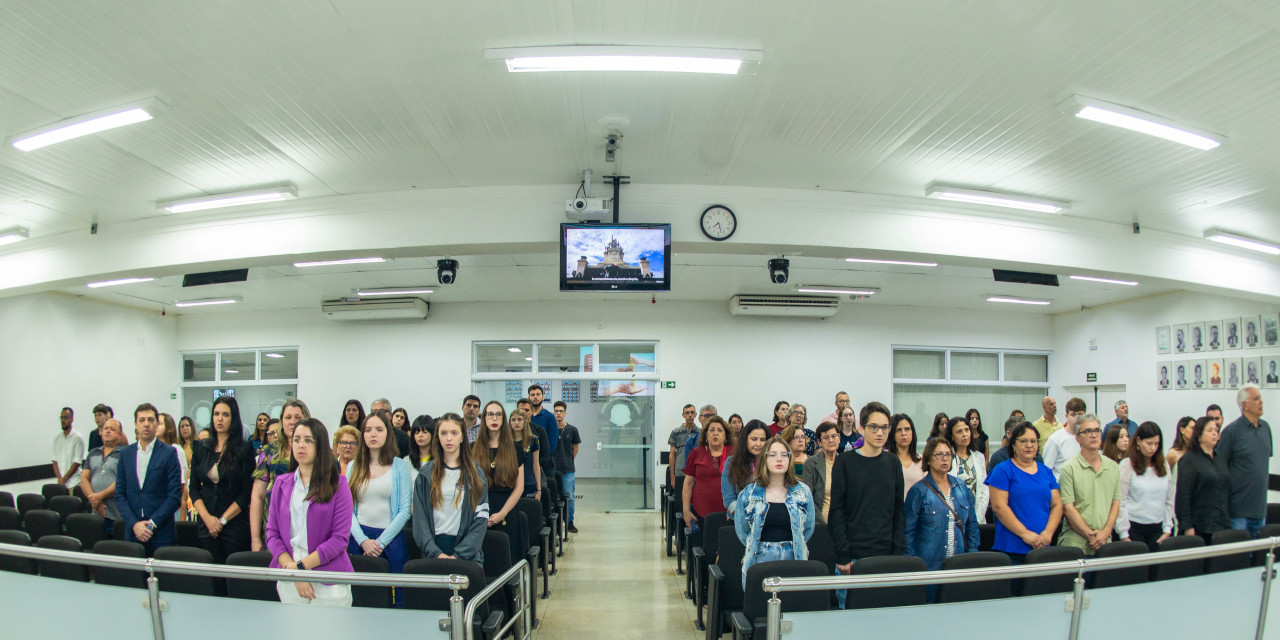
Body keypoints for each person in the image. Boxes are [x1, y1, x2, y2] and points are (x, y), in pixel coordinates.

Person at [265, 417, 354, 607]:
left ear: (320, 445)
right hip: (289, 571)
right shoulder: (281, 483)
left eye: (308, 440)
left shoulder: (338, 484)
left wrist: (301, 568)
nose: (301, 445)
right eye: (296, 440)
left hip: (327, 575)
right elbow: (272, 533)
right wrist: (292, 568)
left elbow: (339, 538)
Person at [830, 402, 904, 609]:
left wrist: (897, 553)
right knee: (851, 621)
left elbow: (899, 510)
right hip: (853, 557)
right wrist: (843, 554)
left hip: (886, 555)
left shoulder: (893, 463)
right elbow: (837, 512)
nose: (880, 433)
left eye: (885, 427)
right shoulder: (845, 462)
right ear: (861, 428)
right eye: (874, 427)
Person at [346, 410, 412, 604]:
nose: (373, 434)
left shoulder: (400, 466)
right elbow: (347, 510)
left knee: (394, 598)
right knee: (361, 598)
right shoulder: (353, 466)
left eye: (378, 429)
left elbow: (404, 510)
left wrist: (380, 543)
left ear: (388, 434)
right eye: (368, 430)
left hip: (390, 539)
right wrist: (363, 541)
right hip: (360, 540)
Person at [735, 436, 815, 589]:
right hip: (760, 557)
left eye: (784, 454)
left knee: (792, 606)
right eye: (773, 454)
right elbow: (743, 530)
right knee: (762, 607)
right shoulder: (749, 494)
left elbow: (809, 528)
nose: (779, 459)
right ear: (764, 459)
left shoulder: (802, 492)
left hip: (795, 556)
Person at [905, 438, 980, 597]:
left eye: (948, 455)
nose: (944, 459)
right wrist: (911, 565)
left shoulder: (961, 487)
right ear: (929, 459)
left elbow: (972, 525)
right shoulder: (918, 491)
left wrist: (972, 556)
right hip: (929, 566)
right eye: (939, 455)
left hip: (959, 565)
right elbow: (908, 532)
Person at [412, 414, 488, 564]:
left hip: (466, 556)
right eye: (443, 433)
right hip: (433, 552)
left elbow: (481, 519)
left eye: (454, 433)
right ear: (438, 437)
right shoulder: (425, 474)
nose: (448, 438)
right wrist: (435, 553)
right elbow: (419, 521)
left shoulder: (476, 475)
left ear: (462, 437)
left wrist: (459, 555)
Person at [189, 395, 256, 563]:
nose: (220, 419)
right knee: (210, 578)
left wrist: (222, 521)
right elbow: (194, 489)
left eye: (225, 415)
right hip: (206, 523)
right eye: (216, 414)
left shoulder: (244, 449)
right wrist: (208, 519)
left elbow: (246, 492)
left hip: (234, 524)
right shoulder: (200, 447)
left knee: (232, 576)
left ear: (233, 418)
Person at [986, 422, 1062, 563]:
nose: (1029, 445)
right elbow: (999, 507)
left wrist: (1048, 533)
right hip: (1012, 549)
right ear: (1013, 444)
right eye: (1023, 441)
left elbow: (1057, 504)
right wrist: (1025, 534)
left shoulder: (1045, 471)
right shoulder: (1003, 470)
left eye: (1033, 441)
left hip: (1042, 547)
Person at [116, 403, 183, 556]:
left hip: (161, 534)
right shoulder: (126, 454)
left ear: (156, 424)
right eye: (141, 420)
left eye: (151, 420)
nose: (146, 424)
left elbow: (174, 497)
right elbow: (120, 494)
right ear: (135, 424)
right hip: (133, 534)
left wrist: (151, 525)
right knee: (134, 579)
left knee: (164, 579)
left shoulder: (169, 453)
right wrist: (135, 524)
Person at [250, 399, 311, 552]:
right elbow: (257, 496)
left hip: (307, 528)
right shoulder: (269, 451)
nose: (292, 422)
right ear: (281, 421)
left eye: (298, 418)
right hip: (274, 528)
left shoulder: (316, 451)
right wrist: (255, 538)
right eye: (288, 417)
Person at [1057, 414, 1121, 556]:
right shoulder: (1069, 468)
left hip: (1105, 543)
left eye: (1097, 430)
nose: (1093, 435)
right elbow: (1068, 508)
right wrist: (1091, 536)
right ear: (1078, 438)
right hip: (1075, 545)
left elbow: (1115, 503)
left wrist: (1105, 533)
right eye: (1087, 431)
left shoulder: (1113, 467)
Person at [1218, 385, 1272, 537]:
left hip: (1260, 509)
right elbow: (1220, 467)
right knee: (1239, 556)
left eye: (1260, 398)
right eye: (1256, 399)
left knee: (1258, 556)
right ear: (1244, 405)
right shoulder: (1232, 431)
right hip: (1238, 510)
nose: (1261, 401)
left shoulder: (1265, 428)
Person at [474, 401, 526, 563]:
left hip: (507, 511)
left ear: (503, 419)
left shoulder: (514, 448)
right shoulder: (473, 448)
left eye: (498, 414)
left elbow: (519, 487)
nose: (494, 418)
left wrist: (502, 513)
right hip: (479, 509)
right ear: (484, 419)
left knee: (506, 560)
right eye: (490, 414)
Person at [1117, 422, 1174, 552]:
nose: (1152, 448)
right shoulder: (1127, 465)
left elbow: (1169, 500)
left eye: (1156, 444)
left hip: (1158, 528)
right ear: (1138, 441)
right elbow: (1121, 501)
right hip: (1134, 528)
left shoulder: (1163, 465)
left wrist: (1167, 529)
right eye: (1149, 443)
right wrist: (1123, 533)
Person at [1176, 416, 1230, 544]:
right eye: (1209, 430)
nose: (1214, 433)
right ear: (1199, 436)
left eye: (1216, 430)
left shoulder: (1220, 458)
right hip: (1201, 526)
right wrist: (1187, 526)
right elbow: (1183, 496)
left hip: (1222, 523)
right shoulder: (1189, 459)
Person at [683, 415, 730, 529]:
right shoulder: (696, 453)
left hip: (729, 512)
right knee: (702, 545)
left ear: (725, 436)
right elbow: (688, 483)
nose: (715, 433)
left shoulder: (734, 453)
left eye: (719, 430)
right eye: (711, 430)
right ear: (706, 435)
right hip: (700, 511)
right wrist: (685, 510)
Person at [81, 418, 123, 538]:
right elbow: (84, 478)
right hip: (96, 513)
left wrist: (100, 496)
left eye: (112, 429)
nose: (108, 431)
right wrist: (94, 501)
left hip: (116, 515)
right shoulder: (93, 453)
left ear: (120, 435)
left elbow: (122, 481)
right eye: (106, 429)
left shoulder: (125, 454)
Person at [723, 420, 770, 518]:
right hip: (740, 519)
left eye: (762, 440)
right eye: (754, 439)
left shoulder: (772, 462)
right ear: (745, 440)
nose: (758, 444)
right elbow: (729, 498)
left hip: (768, 518)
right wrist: (746, 514)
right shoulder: (731, 462)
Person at [947, 416, 988, 524]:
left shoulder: (979, 457)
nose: (965, 434)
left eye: (966, 430)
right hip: (954, 518)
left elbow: (984, 488)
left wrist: (977, 518)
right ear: (952, 436)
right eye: (959, 431)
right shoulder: (947, 458)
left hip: (977, 515)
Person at [802, 422, 841, 524]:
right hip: (819, 522)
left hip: (843, 523)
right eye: (826, 437)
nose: (831, 440)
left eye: (834, 436)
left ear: (839, 438)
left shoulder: (846, 462)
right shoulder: (811, 464)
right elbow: (808, 498)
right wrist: (821, 523)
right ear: (819, 442)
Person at [552, 401, 582, 533]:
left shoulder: (572, 430)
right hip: (551, 470)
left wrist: (568, 460)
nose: (558, 413)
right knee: (553, 497)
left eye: (561, 411)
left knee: (569, 496)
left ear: (565, 413)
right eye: (556, 411)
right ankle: (556, 524)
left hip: (567, 471)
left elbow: (575, 448)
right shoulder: (550, 429)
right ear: (554, 413)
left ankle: (569, 522)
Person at [156, 413, 190, 521]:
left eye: (159, 423)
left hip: (171, 504)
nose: (155, 426)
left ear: (169, 429)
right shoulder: (152, 450)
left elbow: (181, 483)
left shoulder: (176, 449)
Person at [1043, 398, 1086, 479]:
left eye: (1080, 415)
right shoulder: (1055, 439)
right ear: (1066, 416)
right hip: (1062, 488)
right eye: (1073, 415)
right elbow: (1046, 470)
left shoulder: (1087, 438)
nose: (1077, 418)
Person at [509, 409, 541, 500]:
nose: (516, 422)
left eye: (519, 419)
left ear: (525, 421)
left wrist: (539, 490)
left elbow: (536, 465)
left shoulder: (533, 440)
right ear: (510, 422)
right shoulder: (506, 442)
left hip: (529, 483)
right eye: (513, 420)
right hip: (510, 484)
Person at [889, 414, 923, 500]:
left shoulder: (921, 460)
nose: (904, 433)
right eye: (899, 430)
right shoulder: (886, 459)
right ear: (892, 433)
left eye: (907, 429)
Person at [52, 406, 85, 490]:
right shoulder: (57, 438)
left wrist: (64, 479)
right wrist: (60, 479)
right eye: (61, 417)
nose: (63, 420)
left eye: (66, 417)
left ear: (72, 419)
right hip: (61, 483)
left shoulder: (77, 437)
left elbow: (77, 462)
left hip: (74, 482)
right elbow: (55, 461)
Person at [668, 404, 700, 488]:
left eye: (692, 412)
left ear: (695, 415)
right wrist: (672, 477)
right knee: (680, 500)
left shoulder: (701, 433)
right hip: (680, 472)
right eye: (687, 413)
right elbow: (672, 455)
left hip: (696, 473)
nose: (690, 415)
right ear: (683, 415)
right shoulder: (676, 432)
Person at [527, 384, 559, 466]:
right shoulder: (524, 417)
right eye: (532, 395)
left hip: (545, 462)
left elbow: (552, 442)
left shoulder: (550, 417)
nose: (535, 397)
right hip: (527, 460)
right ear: (528, 398)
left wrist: (542, 462)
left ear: (543, 397)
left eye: (538, 394)